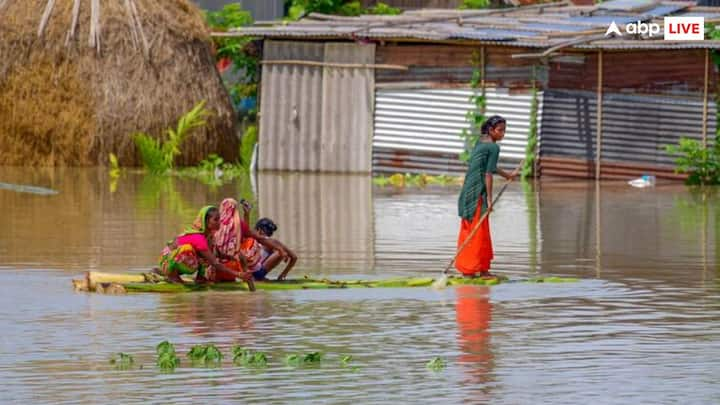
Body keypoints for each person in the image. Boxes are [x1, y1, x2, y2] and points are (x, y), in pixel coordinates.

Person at [456, 115, 518, 278]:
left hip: (467, 190)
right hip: (476, 191)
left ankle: (480, 269)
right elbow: (488, 174)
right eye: (500, 130)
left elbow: (490, 166)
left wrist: (507, 175)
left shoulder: (481, 142)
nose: (503, 134)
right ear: (491, 130)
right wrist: (490, 200)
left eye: (505, 130)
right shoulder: (493, 148)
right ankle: (472, 270)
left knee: (476, 228)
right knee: (477, 229)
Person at [159, 205, 254, 289]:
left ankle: (200, 278)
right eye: (215, 220)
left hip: (179, 262)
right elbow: (215, 263)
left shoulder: (209, 237)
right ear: (206, 222)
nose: (219, 222)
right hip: (167, 262)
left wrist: (232, 257)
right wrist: (239, 275)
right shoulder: (198, 238)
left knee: (206, 254)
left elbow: (218, 254)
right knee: (187, 249)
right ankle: (172, 276)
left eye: (219, 219)